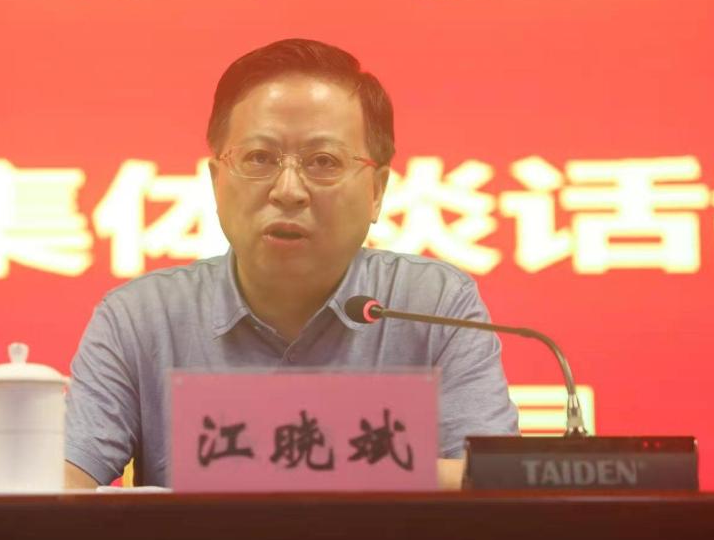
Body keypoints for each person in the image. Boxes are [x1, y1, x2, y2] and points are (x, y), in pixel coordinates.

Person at [64, 38, 518, 490]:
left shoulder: (434, 305)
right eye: (259, 158)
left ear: (377, 191)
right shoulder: (141, 318)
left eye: (323, 161)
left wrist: (314, 463)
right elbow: (57, 488)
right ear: (217, 181)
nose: (288, 190)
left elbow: (499, 486)